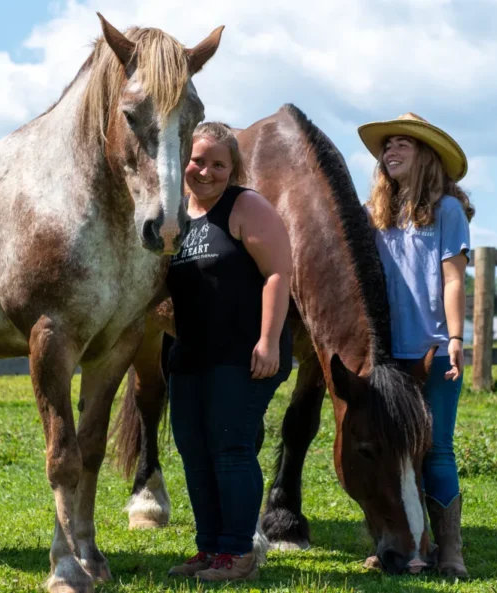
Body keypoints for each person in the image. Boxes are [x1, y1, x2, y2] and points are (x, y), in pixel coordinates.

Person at [165, 122, 293, 582]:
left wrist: (269, 340)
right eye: (198, 161)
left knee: (231, 449)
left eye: (219, 164)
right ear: (183, 162)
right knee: (194, 451)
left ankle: (238, 553)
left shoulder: (245, 206)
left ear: (233, 168)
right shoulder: (174, 214)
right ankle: (210, 549)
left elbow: (279, 272)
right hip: (189, 355)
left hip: (242, 353)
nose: (206, 171)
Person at [359, 113, 473, 578]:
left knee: (436, 449)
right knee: (390, 452)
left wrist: (456, 337)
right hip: (387, 357)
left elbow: (452, 280)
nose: (391, 152)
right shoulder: (373, 215)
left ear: (426, 155)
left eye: (403, 144)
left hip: (434, 349)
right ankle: (403, 543)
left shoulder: (446, 210)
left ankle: (451, 549)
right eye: (387, 146)